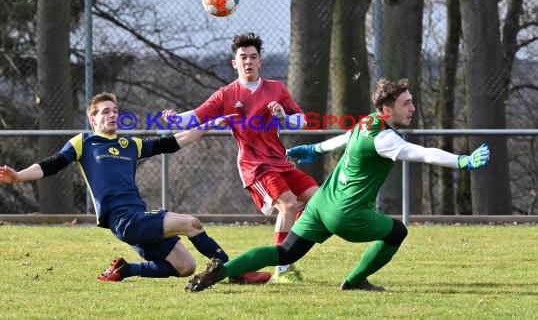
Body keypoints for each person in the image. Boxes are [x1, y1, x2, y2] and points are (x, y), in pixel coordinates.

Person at [185, 78, 491, 292]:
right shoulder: (385, 137)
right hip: (346, 214)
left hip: (321, 205)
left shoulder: (367, 122)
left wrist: (314, 149)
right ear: (388, 109)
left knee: (285, 253)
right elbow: (423, 154)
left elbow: (342, 139)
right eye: (406, 103)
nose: (412, 108)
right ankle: (356, 280)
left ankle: (220, 272)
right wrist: (462, 161)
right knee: (398, 231)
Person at [0, 92, 270, 284]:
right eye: (105, 112)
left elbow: (174, 142)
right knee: (191, 223)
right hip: (123, 221)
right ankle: (237, 272)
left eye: (114, 111)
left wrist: (212, 123)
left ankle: (125, 270)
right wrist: (18, 176)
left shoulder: (129, 144)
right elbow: (51, 165)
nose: (112, 115)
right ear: (93, 119)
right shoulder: (84, 143)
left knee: (186, 267)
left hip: (139, 217)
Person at [162, 33, 319, 283]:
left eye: (253, 57)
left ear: (260, 61)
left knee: (319, 202)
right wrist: (174, 119)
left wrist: (282, 116)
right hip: (256, 166)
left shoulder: (276, 89)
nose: (248, 61)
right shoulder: (226, 95)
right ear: (234, 63)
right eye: (243, 57)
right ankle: (283, 268)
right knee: (289, 204)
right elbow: (196, 116)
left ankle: (287, 246)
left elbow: (302, 120)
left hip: (281, 161)